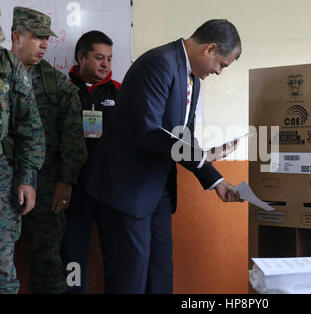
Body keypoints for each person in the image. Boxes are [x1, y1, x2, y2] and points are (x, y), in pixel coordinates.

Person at [82, 19, 242, 293]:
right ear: (210, 48)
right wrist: (205, 166)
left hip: (158, 191)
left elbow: (183, 136)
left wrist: (214, 175)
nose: (219, 72)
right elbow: (150, 132)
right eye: (222, 64)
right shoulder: (159, 63)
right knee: (129, 278)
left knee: (160, 273)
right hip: (127, 189)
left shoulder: (193, 79)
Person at [10, 6, 87, 294]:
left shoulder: (58, 86)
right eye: (37, 37)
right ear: (17, 36)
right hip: (4, 185)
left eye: (47, 38)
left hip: (44, 190)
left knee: (47, 265)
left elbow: (73, 139)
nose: (44, 44)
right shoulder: (3, 77)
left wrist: (65, 182)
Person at [60, 30, 121, 293]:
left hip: (110, 190)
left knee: (116, 256)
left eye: (109, 58)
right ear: (80, 57)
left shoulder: (119, 92)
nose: (105, 64)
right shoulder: (62, 90)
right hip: (74, 190)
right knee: (73, 257)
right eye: (98, 58)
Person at [0, 10, 46, 294]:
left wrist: (27, 177)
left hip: (2, 177)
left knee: (2, 263)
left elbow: (30, 127)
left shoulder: (8, 67)